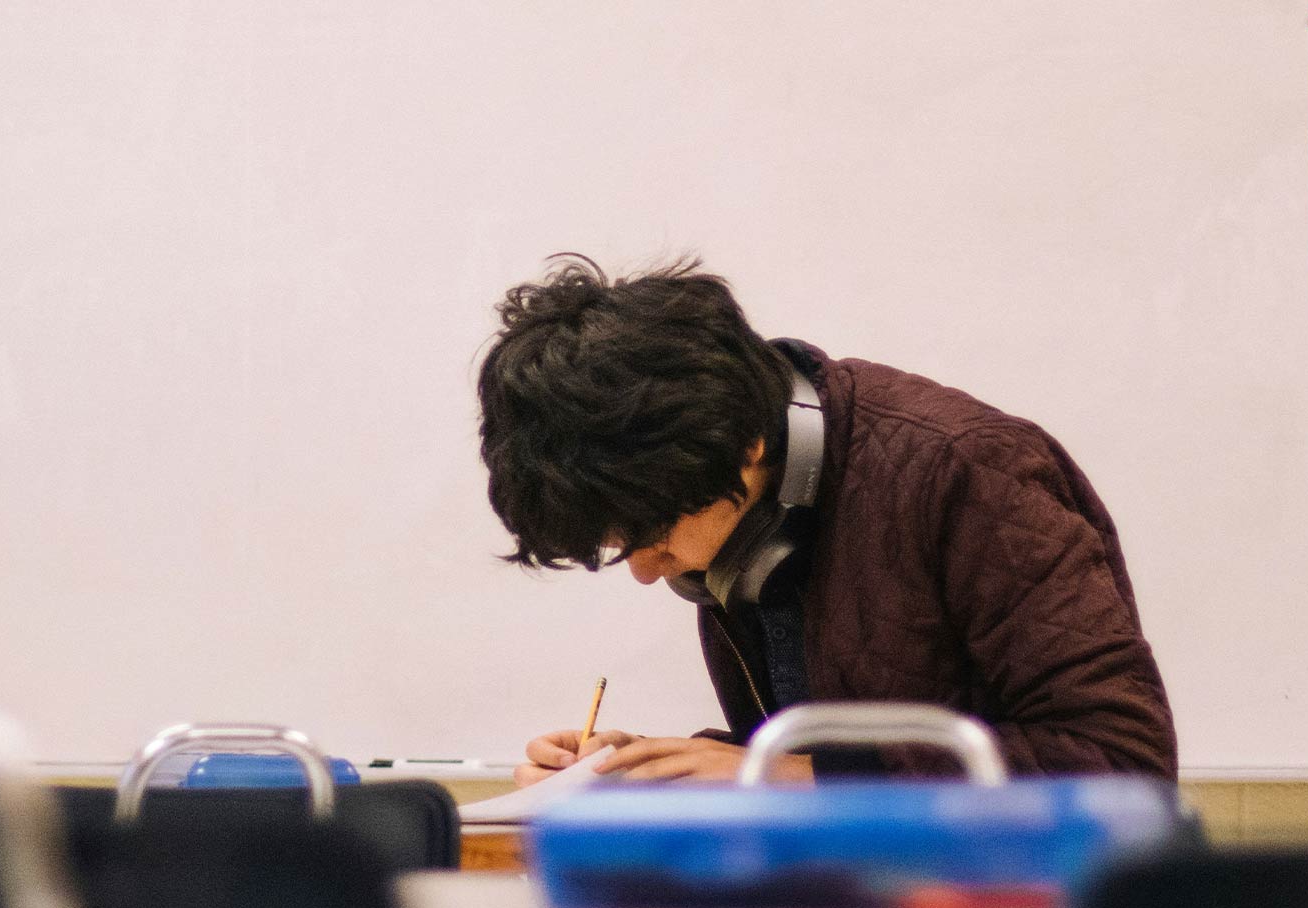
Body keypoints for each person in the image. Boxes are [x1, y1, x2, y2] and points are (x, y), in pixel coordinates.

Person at [477, 256, 1177, 786]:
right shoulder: (750, 516)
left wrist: (794, 779)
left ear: (744, 447)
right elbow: (835, 742)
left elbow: (1121, 761)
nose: (644, 572)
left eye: (652, 536)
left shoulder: (967, 469)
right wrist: (648, 774)